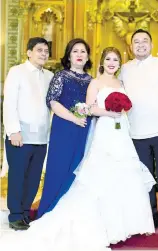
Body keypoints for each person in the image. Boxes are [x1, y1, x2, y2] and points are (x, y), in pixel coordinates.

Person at [0, 46, 155, 251]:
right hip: (76, 128)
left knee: (119, 174)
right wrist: (107, 113)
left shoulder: (113, 82)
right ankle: (20, 214)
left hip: (117, 132)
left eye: (115, 60)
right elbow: (62, 103)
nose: (111, 63)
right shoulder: (74, 78)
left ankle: (119, 223)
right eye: (108, 59)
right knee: (68, 172)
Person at [119, 29, 158, 235]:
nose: (140, 45)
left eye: (145, 41)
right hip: (136, 133)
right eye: (136, 42)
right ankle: (150, 215)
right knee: (144, 177)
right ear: (130, 46)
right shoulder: (125, 69)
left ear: (152, 44)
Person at [37, 38, 93, 218]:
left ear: (87, 57)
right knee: (60, 167)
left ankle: (74, 216)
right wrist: (74, 118)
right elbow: (52, 102)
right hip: (64, 128)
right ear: (69, 55)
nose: (79, 54)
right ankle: (51, 211)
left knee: (80, 169)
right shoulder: (60, 76)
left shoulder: (92, 81)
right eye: (75, 51)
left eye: (82, 51)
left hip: (85, 129)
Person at [3, 37, 53, 230]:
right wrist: (13, 131)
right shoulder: (17, 72)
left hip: (41, 137)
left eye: (46, 51)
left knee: (33, 178)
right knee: (18, 176)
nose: (43, 54)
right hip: (20, 136)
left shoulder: (49, 76)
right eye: (39, 50)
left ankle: (24, 213)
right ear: (29, 52)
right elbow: (9, 103)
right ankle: (15, 215)